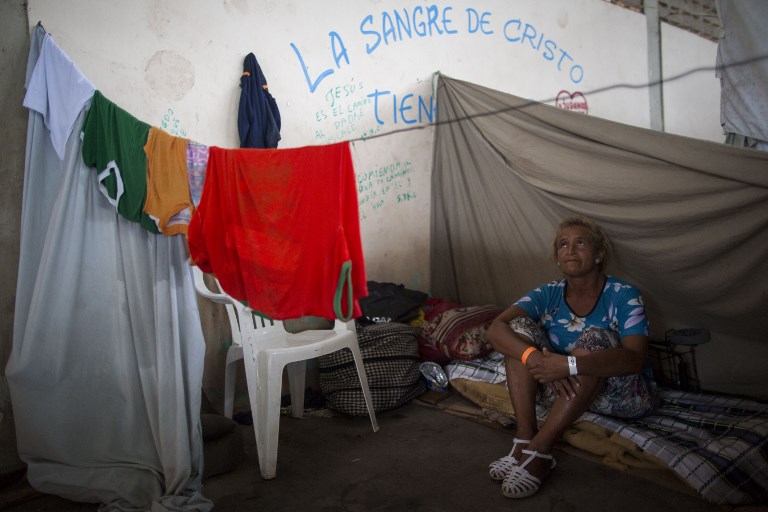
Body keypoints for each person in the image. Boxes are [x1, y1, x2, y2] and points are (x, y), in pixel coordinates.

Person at [485, 215, 658, 499]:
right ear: (557, 258)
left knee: (597, 336)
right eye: (563, 244)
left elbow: (634, 360)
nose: (571, 249)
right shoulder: (548, 292)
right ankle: (524, 439)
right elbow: (495, 329)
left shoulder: (624, 295)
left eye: (580, 242)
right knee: (515, 331)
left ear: (600, 254)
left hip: (621, 395)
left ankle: (541, 450)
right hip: (562, 390)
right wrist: (533, 359)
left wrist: (568, 364)